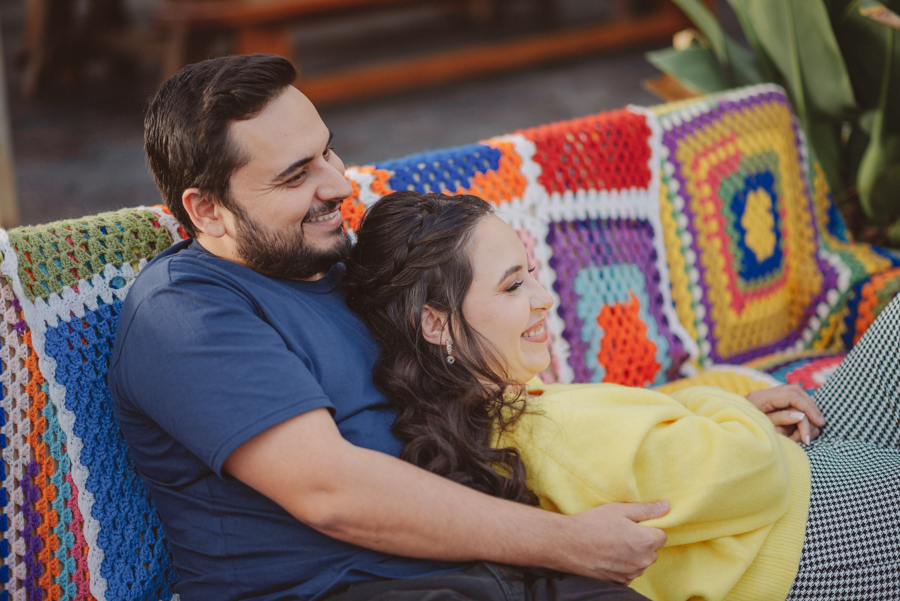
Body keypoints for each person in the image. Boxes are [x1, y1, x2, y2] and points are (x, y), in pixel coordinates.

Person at [108, 53, 667, 601]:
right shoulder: (184, 310)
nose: (339, 186)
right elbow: (331, 492)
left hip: (499, 571)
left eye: (327, 152)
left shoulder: (354, 268)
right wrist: (567, 542)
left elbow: (512, 395)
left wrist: (707, 408)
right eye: (296, 176)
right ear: (207, 210)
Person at [343, 190, 900, 601]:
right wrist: (727, 403)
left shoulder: (492, 415)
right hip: (820, 540)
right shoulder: (550, 432)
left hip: (797, 500)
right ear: (434, 324)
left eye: (532, 274)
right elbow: (754, 470)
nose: (544, 300)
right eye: (513, 286)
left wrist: (729, 410)